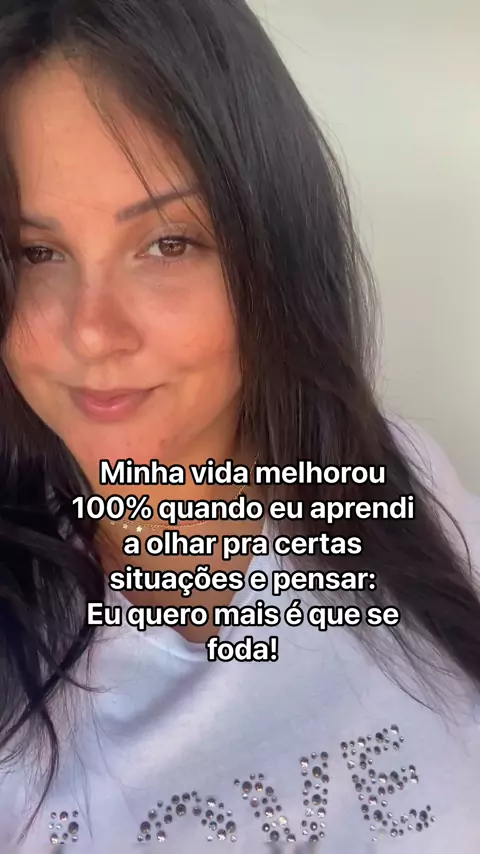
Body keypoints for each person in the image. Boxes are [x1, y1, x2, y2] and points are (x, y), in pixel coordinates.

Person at [0, 0, 478, 851]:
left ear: (276, 252)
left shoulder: (402, 480)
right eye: (38, 253)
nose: (93, 333)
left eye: (169, 243)